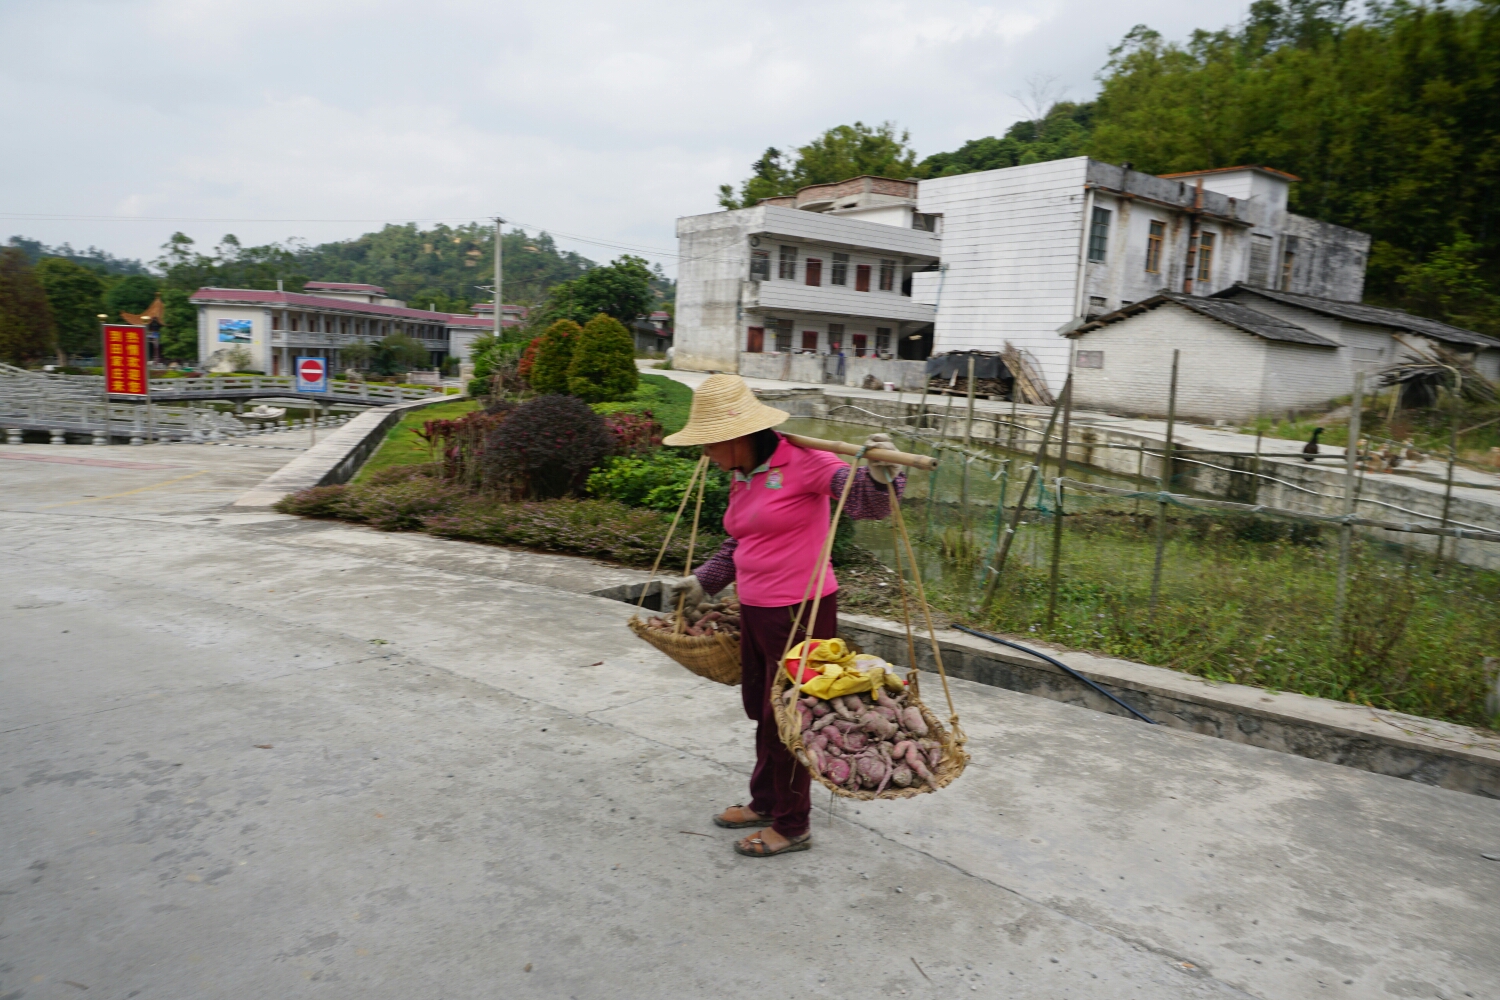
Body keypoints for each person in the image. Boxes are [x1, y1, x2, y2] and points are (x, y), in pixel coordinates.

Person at [658, 374, 903, 857]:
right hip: (756, 609)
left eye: (709, 443)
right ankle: (766, 800)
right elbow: (740, 542)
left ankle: (793, 824)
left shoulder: (806, 460)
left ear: (736, 437)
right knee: (760, 708)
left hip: (801, 611)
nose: (705, 452)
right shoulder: (742, 473)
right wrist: (703, 581)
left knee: (790, 717)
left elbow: (861, 501)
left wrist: (880, 476)